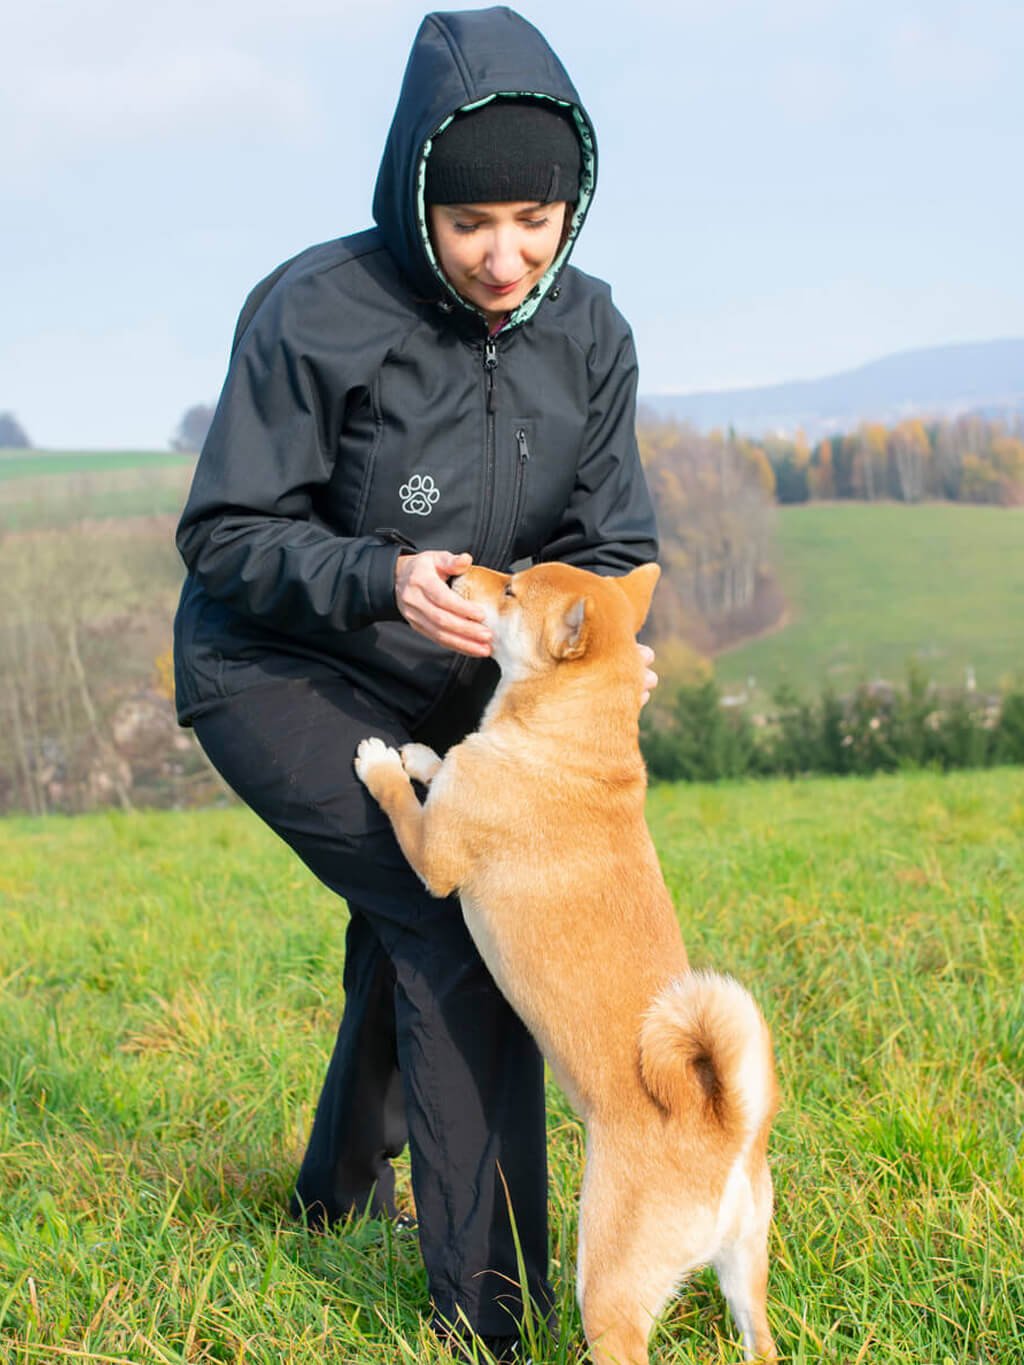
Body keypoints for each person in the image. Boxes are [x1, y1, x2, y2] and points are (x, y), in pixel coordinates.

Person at [173, 7, 658, 1359]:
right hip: (273, 661)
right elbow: (224, 535)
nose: (507, 256)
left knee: (411, 914)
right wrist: (378, 576)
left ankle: (334, 1197)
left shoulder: (593, 335)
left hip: (464, 690)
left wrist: (607, 644)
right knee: (452, 915)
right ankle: (491, 1322)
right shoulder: (315, 309)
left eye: (536, 218)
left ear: (573, 205)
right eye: (471, 223)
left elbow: (614, 549)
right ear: (417, 200)